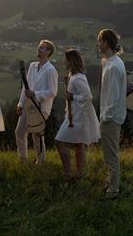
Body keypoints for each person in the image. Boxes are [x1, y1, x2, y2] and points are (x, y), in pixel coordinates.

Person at [55, 49, 100, 182]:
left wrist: (72, 96)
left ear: (71, 61)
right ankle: (78, 174)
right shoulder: (73, 76)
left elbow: (88, 97)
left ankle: (69, 173)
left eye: (65, 59)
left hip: (79, 116)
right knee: (79, 145)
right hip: (74, 114)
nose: (64, 61)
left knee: (59, 141)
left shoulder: (79, 77)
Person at [15, 39, 58, 163]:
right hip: (28, 105)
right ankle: (23, 159)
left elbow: (52, 92)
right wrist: (20, 104)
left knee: (37, 135)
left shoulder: (51, 70)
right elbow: (25, 86)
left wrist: (36, 94)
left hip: (41, 107)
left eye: (42, 48)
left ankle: (41, 161)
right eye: (39, 47)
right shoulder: (33, 66)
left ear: (48, 52)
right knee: (19, 132)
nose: (39, 49)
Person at [97, 29, 127, 199]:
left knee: (111, 155)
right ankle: (110, 183)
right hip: (110, 116)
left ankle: (113, 190)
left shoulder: (114, 66)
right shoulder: (110, 62)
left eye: (99, 41)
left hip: (111, 117)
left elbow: (114, 97)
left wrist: (105, 117)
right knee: (109, 153)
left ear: (106, 43)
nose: (98, 44)